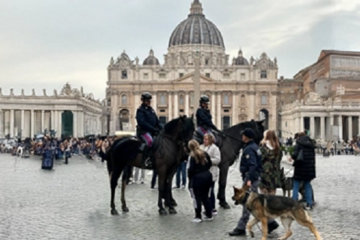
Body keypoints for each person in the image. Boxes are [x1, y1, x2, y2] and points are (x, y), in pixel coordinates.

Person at [229, 128, 262, 236]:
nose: (242, 136)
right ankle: (271, 223)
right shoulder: (254, 147)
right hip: (254, 177)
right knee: (255, 202)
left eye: (243, 135)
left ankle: (241, 227)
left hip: (250, 178)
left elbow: (252, 165)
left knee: (247, 203)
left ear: (246, 137)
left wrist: (249, 180)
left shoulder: (249, 149)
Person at [258, 130, 283, 234]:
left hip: (264, 176)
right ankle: (270, 221)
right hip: (274, 178)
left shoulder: (263, 148)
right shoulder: (278, 148)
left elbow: (259, 160)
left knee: (264, 201)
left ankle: (269, 223)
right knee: (271, 201)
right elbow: (279, 160)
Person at [187, 139, 213, 223]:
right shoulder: (204, 153)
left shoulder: (192, 156)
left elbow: (190, 169)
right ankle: (209, 214)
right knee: (205, 196)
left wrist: (190, 179)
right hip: (208, 176)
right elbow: (210, 164)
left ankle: (198, 216)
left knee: (197, 197)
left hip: (197, 178)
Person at [290, 131, 316, 210]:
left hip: (300, 167)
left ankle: (294, 203)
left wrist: (292, 156)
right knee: (307, 185)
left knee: (296, 185)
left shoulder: (299, 144)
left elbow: (295, 155)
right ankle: (309, 203)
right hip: (309, 168)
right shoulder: (311, 144)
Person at [136, 92, 163, 168]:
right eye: (147, 100)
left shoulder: (151, 110)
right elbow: (142, 123)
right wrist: (153, 129)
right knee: (150, 141)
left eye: (149, 100)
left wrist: (162, 128)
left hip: (153, 132)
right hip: (144, 132)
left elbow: (157, 121)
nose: (149, 102)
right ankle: (145, 160)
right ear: (143, 101)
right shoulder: (140, 110)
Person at [200, 133, 220, 215]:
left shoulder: (215, 148)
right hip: (202, 173)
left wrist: (207, 160)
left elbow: (218, 160)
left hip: (211, 172)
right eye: (204, 139)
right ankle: (206, 207)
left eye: (206, 139)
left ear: (210, 140)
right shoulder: (201, 147)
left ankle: (213, 208)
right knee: (204, 192)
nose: (204, 140)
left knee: (210, 191)